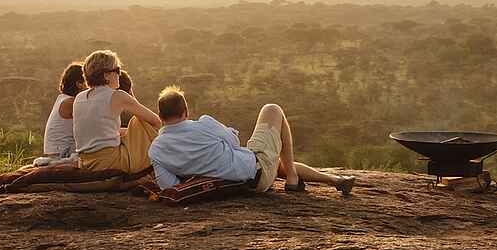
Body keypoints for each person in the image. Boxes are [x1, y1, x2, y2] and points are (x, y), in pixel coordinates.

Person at [147, 88, 355, 196]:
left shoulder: (156, 150)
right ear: (186, 112)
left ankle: (335, 180)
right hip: (254, 174)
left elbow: (170, 186)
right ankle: (292, 180)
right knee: (272, 109)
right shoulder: (204, 124)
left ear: (160, 115)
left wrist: (199, 167)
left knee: (274, 164)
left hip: (235, 186)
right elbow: (234, 140)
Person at [71, 49, 164, 174]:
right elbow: (156, 121)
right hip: (111, 162)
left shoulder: (79, 97)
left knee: (132, 127)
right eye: (117, 71)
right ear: (106, 75)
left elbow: (99, 131)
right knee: (140, 121)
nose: (119, 75)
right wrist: (131, 96)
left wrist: (124, 132)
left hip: (84, 163)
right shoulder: (117, 96)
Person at [41, 61, 85, 159]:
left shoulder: (63, 99)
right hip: (62, 154)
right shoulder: (72, 103)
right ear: (79, 84)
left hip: (58, 152)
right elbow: (91, 126)